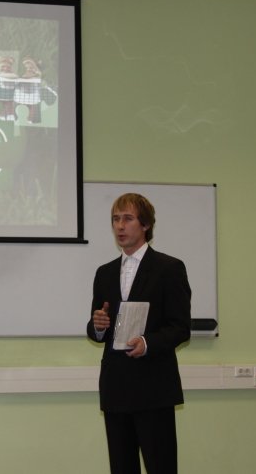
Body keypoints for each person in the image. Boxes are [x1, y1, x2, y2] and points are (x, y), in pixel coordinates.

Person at [86, 193, 191, 474]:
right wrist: (98, 326)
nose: (120, 226)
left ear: (145, 224)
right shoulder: (104, 272)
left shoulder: (169, 268)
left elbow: (180, 326)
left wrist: (147, 342)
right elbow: (97, 326)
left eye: (128, 218)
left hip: (153, 387)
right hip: (116, 387)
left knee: (161, 467)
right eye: (115, 219)